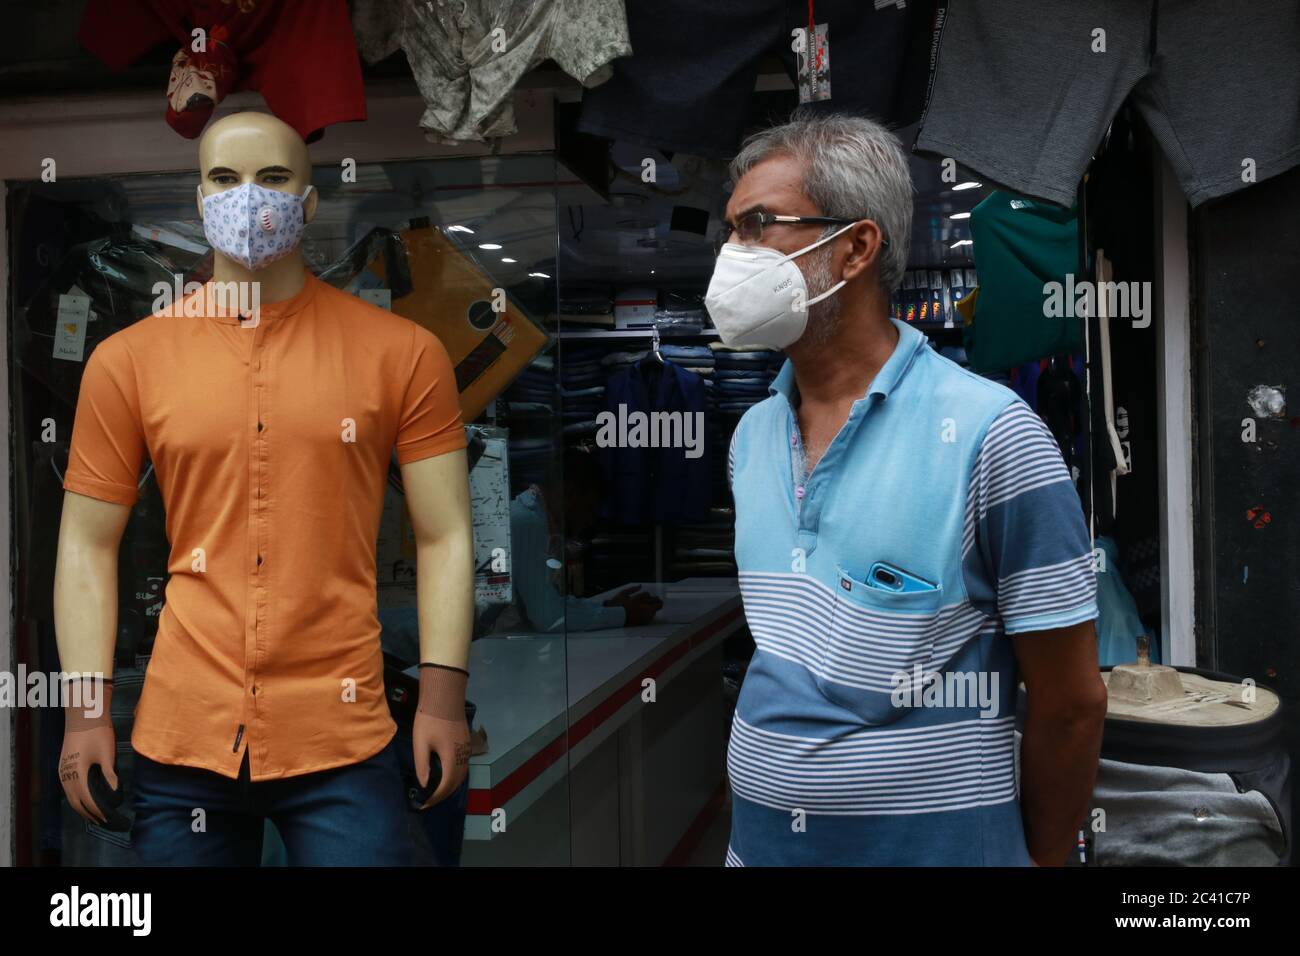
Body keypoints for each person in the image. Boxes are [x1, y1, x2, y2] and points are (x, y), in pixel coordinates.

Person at [708, 111, 1107, 866]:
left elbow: (1071, 705)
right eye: (730, 231)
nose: (734, 255)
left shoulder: (994, 434)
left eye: (758, 226)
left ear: (856, 246)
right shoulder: (751, 437)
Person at [509, 446, 662, 632]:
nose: (589, 521)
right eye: (589, 508)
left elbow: (547, 602)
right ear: (571, 493)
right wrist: (624, 615)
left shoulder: (534, 518)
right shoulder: (528, 522)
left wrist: (605, 607)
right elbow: (547, 617)